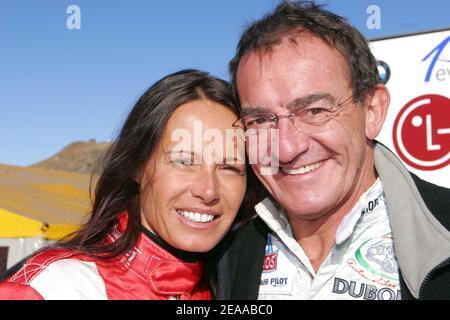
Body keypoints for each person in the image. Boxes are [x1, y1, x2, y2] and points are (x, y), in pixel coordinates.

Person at [216, 1, 450, 300]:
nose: (287, 149)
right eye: (261, 120)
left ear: (372, 111)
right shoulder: (221, 256)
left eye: (315, 111)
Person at [0, 69, 252, 300]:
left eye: (229, 167)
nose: (208, 190)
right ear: (136, 166)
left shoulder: (237, 288)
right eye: (184, 161)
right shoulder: (53, 288)